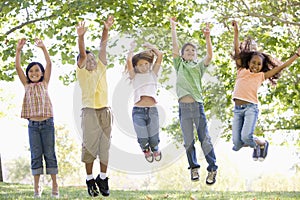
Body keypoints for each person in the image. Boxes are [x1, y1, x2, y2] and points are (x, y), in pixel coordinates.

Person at [231, 20, 300, 161]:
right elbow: (237, 50)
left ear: (262, 66)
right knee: (237, 144)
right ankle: (259, 143)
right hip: (237, 109)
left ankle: (261, 144)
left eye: (258, 64)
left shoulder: (260, 76)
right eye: (253, 63)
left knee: (245, 136)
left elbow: (280, 67)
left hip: (251, 108)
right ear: (248, 62)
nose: (255, 66)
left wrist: (296, 55)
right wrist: (236, 31)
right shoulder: (241, 70)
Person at [170, 17, 218, 185]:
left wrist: (207, 37)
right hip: (183, 107)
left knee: (204, 138)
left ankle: (212, 168)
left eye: (193, 51)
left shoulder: (198, 67)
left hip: (197, 106)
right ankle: (194, 168)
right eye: (187, 51)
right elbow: (175, 48)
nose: (190, 52)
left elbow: (210, 56)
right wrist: (173, 27)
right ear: (182, 55)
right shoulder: (179, 65)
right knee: (188, 140)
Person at [15, 38, 59, 198]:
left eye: (37, 71)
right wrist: (18, 50)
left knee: (49, 154)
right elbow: (17, 67)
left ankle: (55, 184)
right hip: (33, 125)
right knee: (35, 155)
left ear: (41, 73)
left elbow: (49, 64)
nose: (34, 73)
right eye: (31, 71)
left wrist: (43, 47)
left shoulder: (44, 83)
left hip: (47, 124)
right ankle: (36, 187)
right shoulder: (26, 85)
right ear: (28, 74)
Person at [76, 16, 114, 197]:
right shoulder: (83, 73)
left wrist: (106, 29)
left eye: (93, 59)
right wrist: (81, 38)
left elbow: (103, 47)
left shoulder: (101, 69)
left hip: (105, 111)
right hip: (89, 112)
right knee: (90, 147)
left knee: (105, 147)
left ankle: (103, 178)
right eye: (87, 59)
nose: (91, 61)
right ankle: (90, 179)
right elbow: (83, 55)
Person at [125, 41, 163, 163]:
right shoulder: (134, 76)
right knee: (142, 137)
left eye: (146, 63)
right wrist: (131, 49)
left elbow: (160, 56)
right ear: (136, 66)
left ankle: (155, 148)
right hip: (138, 111)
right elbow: (129, 61)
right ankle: (145, 150)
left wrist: (152, 47)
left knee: (153, 138)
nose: (144, 66)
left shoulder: (153, 74)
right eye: (140, 65)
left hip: (152, 110)